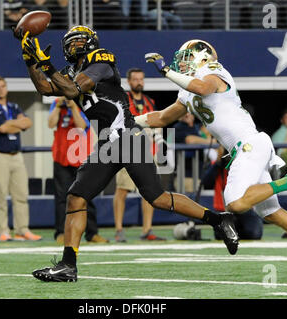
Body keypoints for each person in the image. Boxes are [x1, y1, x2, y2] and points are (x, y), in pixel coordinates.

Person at [15, 25, 239, 282]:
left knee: (157, 198)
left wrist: (46, 65)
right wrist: (30, 60)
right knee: (76, 197)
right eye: (70, 43)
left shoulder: (101, 58)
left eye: (78, 42)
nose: (73, 46)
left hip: (127, 137)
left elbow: (74, 90)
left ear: (90, 43)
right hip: (107, 143)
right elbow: (45, 88)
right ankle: (68, 265)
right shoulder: (68, 71)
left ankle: (218, 219)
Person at [139, 39, 287, 276]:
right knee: (270, 212)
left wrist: (166, 72)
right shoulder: (186, 88)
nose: (180, 64)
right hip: (246, 150)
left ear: (201, 56)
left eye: (185, 58)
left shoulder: (213, 70)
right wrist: (131, 121)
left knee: (235, 203)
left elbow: (203, 88)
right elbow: (162, 118)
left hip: (249, 145)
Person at [0, 76, 42, 242]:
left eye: (3, 86)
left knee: (21, 194)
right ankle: (2, 230)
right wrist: (17, 123)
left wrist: (12, 123)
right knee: (0, 195)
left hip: (16, 156)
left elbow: (28, 123)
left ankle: (22, 229)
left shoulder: (14, 106)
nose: (1, 89)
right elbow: (1, 128)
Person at [113, 67, 165, 242]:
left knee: (150, 191)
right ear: (128, 81)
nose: (139, 82)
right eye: (135, 79)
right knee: (122, 190)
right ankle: (119, 229)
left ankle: (147, 229)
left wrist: (159, 144)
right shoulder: (122, 100)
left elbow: (157, 123)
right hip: (127, 149)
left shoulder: (149, 101)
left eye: (141, 79)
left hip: (147, 151)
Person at [48, 96, 109, 244]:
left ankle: (92, 233)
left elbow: (81, 126)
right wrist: (58, 107)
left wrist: (73, 106)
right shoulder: (56, 103)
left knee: (87, 196)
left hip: (81, 156)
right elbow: (51, 124)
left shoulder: (83, 102)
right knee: (62, 197)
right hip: (62, 156)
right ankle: (61, 232)